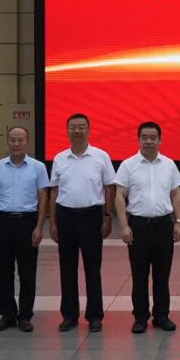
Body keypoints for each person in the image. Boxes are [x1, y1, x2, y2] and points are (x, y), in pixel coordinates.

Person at [114, 121, 180, 334]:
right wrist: (124, 226)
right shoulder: (128, 165)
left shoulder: (169, 164)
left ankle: (161, 315)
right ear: (138, 139)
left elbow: (176, 194)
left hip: (163, 225)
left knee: (162, 275)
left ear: (159, 140)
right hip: (138, 225)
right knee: (139, 274)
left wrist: (178, 222)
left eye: (153, 137)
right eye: (144, 137)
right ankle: (140, 317)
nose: (148, 141)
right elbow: (119, 195)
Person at [49, 113, 116, 333]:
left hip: (92, 216)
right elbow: (54, 191)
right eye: (73, 127)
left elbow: (109, 187)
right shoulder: (60, 158)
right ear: (67, 130)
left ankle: (95, 316)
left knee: (92, 268)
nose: (77, 131)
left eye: (81, 127)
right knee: (67, 268)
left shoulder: (101, 156)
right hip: (65, 216)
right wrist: (53, 222)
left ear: (88, 130)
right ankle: (69, 315)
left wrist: (108, 216)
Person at [0, 126, 49, 333]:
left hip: (27, 222)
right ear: (7, 142)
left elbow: (43, 196)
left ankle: (25, 316)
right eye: (12, 139)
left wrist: (39, 226)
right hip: (3, 222)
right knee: (4, 272)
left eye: (20, 140)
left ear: (27, 142)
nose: (16, 143)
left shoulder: (38, 167)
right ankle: (7, 315)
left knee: (27, 272)